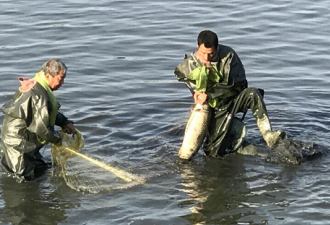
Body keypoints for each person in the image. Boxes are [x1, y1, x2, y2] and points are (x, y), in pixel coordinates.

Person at [174, 30, 286, 158]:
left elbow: (239, 83)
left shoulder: (229, 56)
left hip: (232, 100)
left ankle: (268, 135)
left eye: (211, 54)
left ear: (217, 48)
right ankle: (242, 145)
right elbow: (182, 75)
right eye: (203, 54)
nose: (206, 58)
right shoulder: (190, 63)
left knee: (252, 93)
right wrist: (195, 91)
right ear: (197, 47)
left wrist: (210, 94)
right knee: (213, 153)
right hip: (213, 109)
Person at [1, 59, 76, 180]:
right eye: (60, 79)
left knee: (42, 168)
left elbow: (47, 112)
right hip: (18, 143)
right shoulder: (39, 95)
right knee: (22, 179)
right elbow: (43, 129)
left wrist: (64, 122)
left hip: (23, 138)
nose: (63, 83)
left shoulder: (38, 85)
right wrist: (57, 139)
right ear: (48, 76)